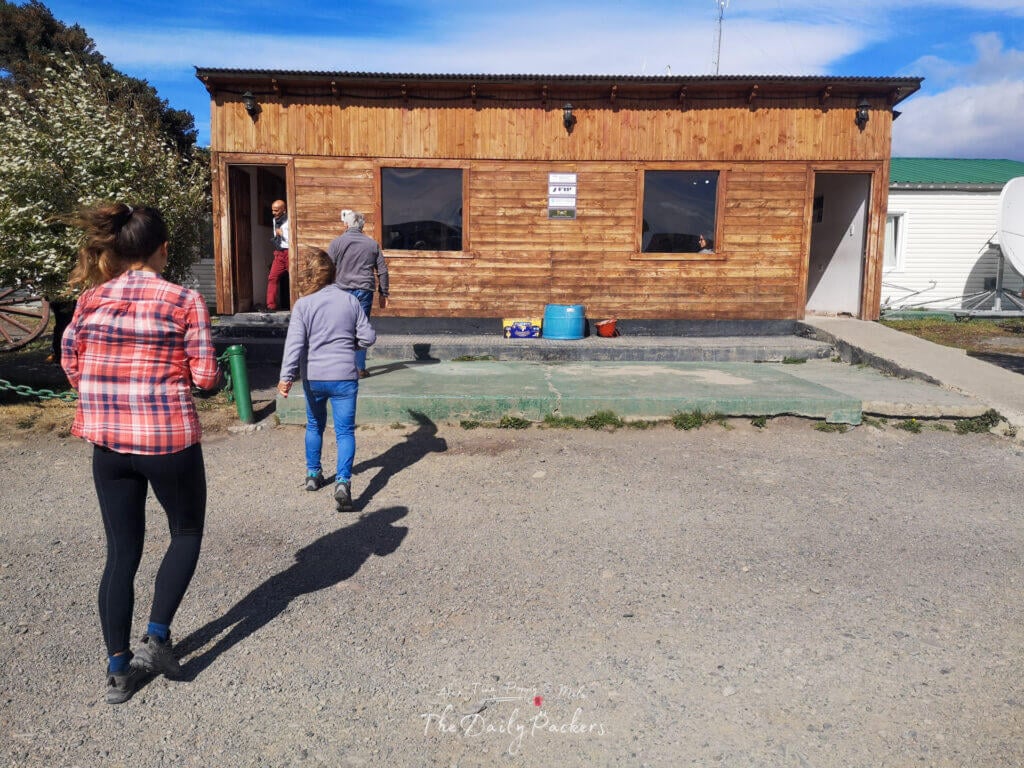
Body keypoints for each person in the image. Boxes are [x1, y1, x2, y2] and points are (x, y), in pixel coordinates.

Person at [61, 203, 221, 704]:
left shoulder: (90, 300)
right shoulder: (183, 299)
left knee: (121, 553)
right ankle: (157, 637)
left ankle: (117, 670)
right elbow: (207, 377)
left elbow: (72, 365)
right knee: (187, 532)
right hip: (167, 439)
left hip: (108, 442)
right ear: (162, 249)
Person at [278, 249, 376, 511]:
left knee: (314, 424)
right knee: (345, 431)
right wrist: (350, 345)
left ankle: (313, 475)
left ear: (308, 275)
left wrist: (286, 377)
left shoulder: (303, 305)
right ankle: (343, 481)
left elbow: (295, 344)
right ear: (333, 273)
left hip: (314, 376)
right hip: (345, 375)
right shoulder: (350, 301)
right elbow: (368, 337)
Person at [326, 209, 389, 378]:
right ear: (362, 226)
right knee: (361, 327)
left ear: (346, 224)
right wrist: (384, 294)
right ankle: (359, 368)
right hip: (364, 290)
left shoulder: (336, 243)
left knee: (341, 328)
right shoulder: (372, 244)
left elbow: (326, 268)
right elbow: (382, 271)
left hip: (341, 291)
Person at [266, 199, 289, 311]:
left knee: (294, 278)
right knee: (272, 277)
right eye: (272, 210)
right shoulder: (275, 220)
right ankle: (271, 306)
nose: (273, 213)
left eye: (276, 210)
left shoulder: (290, 221)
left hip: (290, 252)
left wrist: (283, 234)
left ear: (283, 210)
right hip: (279, 253)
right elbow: (276, 236)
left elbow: (293, 239)